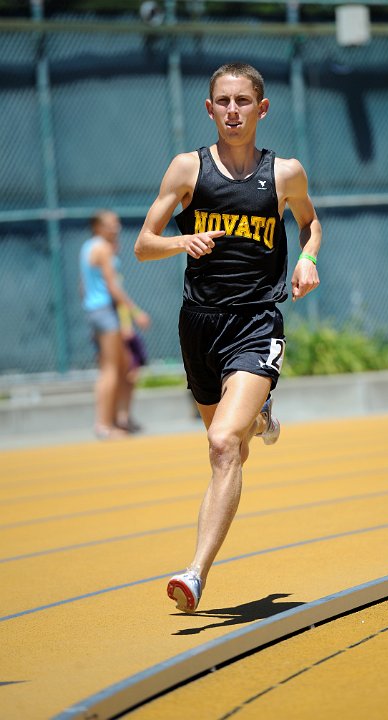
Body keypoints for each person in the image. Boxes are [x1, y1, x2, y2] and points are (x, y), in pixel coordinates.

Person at [134, 62, 321, 613]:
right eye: (223, 101)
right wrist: (181, 244)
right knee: (233, 444)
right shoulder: (187, 169)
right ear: (209, 109)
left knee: (221, 446)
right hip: (200, 326)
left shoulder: (284, 174)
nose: (233, 111)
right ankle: (261, 418)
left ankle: (195, 573)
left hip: (257, 321)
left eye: (243, 101)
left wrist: (308, 257)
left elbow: (312, 222)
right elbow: (144, 242)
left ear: (262, 109)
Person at [80, 210, 151, 439]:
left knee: (123, 368)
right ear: (98, 227)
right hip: (106, 312)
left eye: (116, 224)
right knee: (110, 371)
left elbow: (83, 286)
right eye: (111, 225)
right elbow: (112, 286)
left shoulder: (89, 247)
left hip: (97, 312)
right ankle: (103, 426)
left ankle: (115, 420)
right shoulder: (102, 248)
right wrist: (136, 312)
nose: (116, 228)